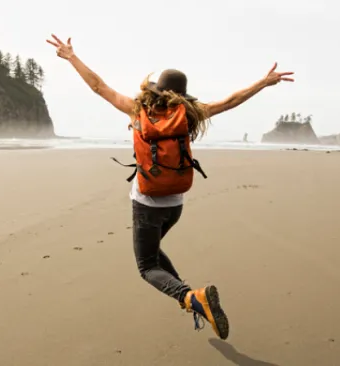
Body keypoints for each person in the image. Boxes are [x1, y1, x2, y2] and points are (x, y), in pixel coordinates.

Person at [46, 34, 294, 340]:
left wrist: (71, 56)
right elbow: (230, 101)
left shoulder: (137, 110)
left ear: (156, 89)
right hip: (175, 204)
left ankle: (192, 298)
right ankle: (192, 300)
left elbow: (98, 86)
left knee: (147, 266)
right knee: (153, 251)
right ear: (183, 95)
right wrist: (262, 82)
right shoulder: (190, 114)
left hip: (146, 202)